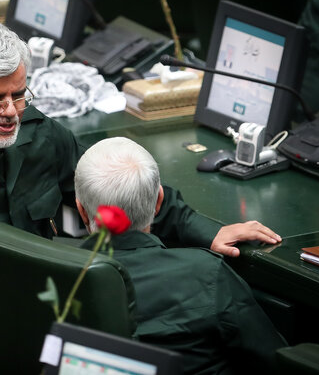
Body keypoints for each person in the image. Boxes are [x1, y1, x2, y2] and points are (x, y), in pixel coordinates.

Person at [0, 21, 281, 332]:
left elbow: (113, 187)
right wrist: (26, 306)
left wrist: (205, 231)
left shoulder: (36, 135)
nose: (12, 111)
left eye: (19, 94)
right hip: (0, 332)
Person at [75, 137, 287, 374]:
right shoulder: (207, 274)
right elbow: (274, 360)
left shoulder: (51, 273)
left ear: (81, 210)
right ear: (159, 201)